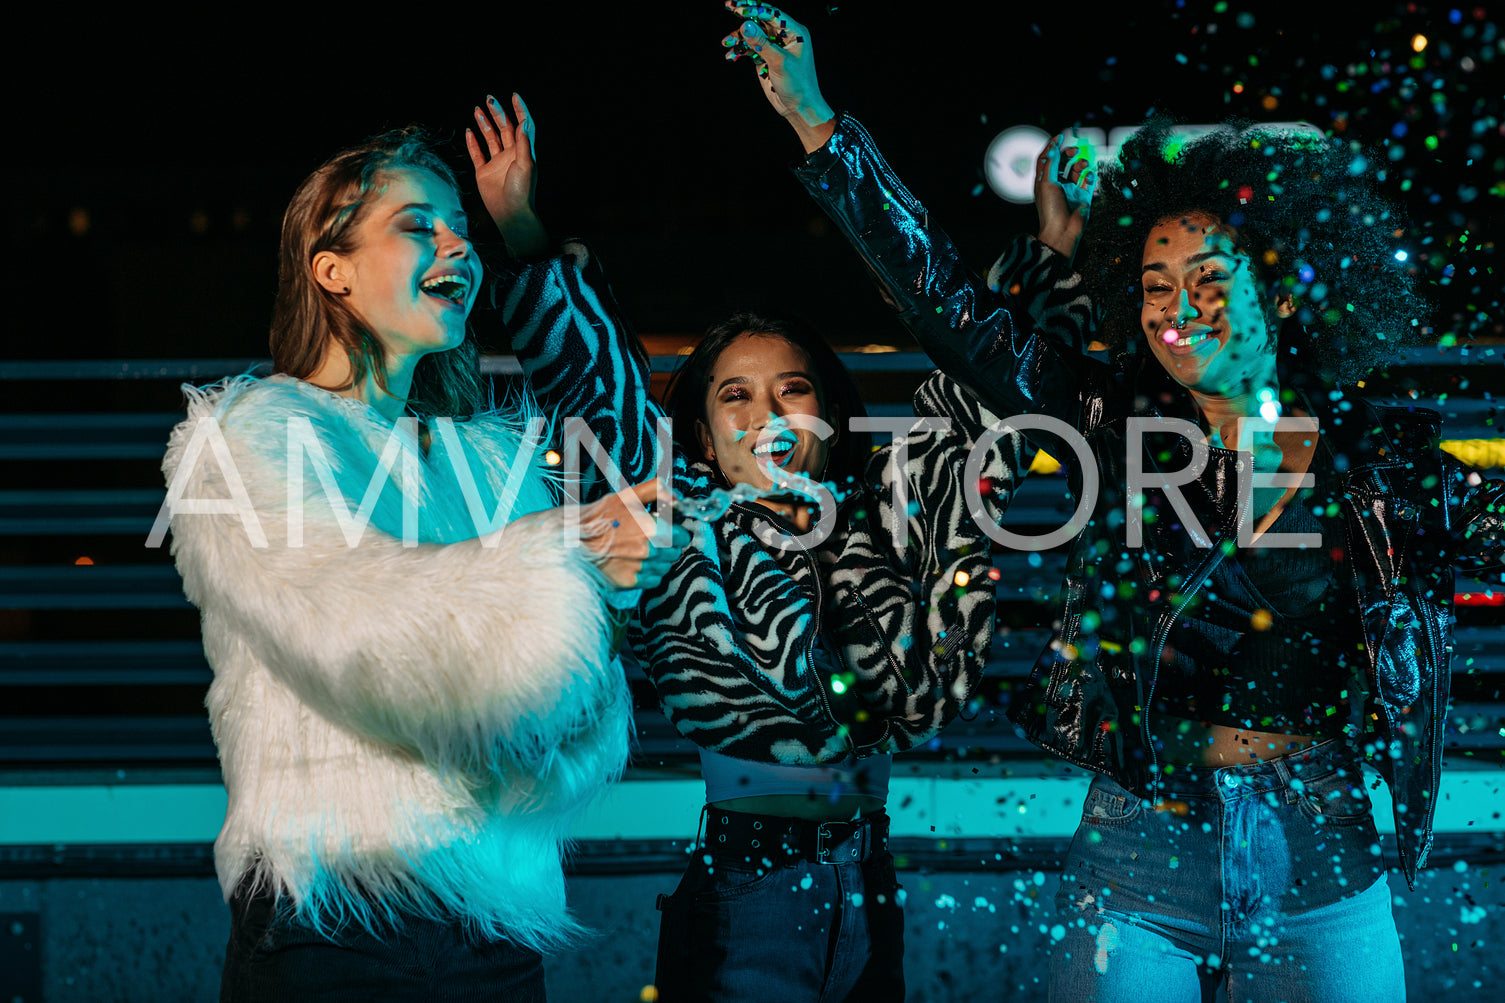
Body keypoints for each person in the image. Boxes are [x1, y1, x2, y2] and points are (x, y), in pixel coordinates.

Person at [721, 3, 1504, 1000]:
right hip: (1140, 850)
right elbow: (949, 310)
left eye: (1209, 279)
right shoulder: (1112, 423)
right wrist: (816, 123)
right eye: (1152, 284)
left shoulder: (1379, 460)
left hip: (1322, 851)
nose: (1177, 310)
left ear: (1284, 287)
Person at [461, 72, 1026, 1003]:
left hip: (870, 883)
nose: (767, 413)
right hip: (745, 895)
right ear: (705, 434)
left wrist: (1043, 255)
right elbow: (595, 390)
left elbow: (976, 383)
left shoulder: (877, 514)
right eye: (735, 394)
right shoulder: (681, 514)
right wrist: (519, 224)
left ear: (828, 414)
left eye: (791, 389)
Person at [162, 115, 686, 1001]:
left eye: (461, 228)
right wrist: (572, 567)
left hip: (492, 926)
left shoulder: (484, 457)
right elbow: (360, 631)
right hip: (338, 918)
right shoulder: (251, 432)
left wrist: (521, 229)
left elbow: (566, 702)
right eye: (418, 225)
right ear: (331, 268)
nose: (457, 244)